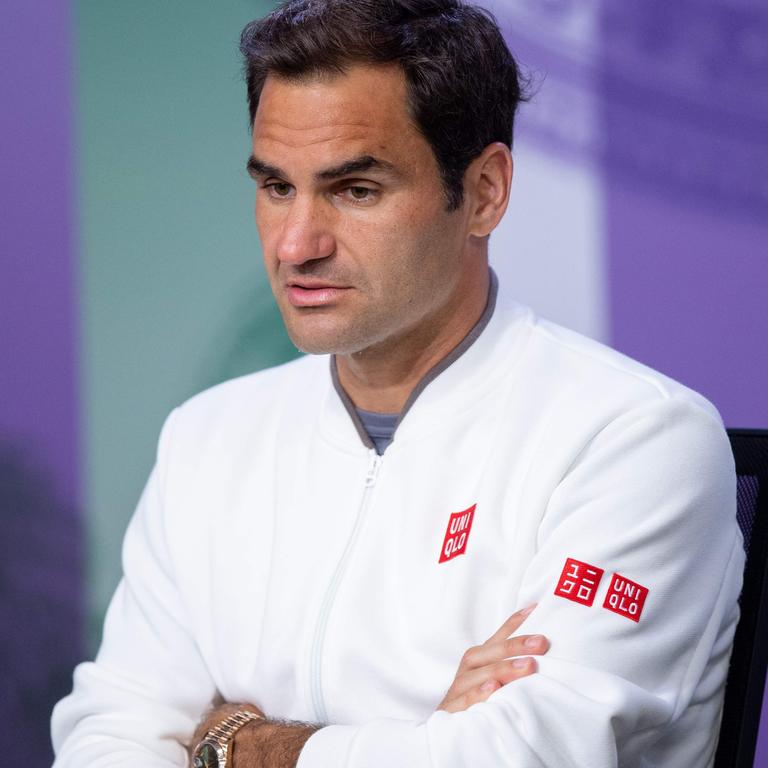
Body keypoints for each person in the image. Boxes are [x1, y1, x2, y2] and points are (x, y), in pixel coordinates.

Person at [51, 1, 744, 766]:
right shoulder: (207, 436)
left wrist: (238, 746)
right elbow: (109, 735)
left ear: (484, 192)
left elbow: (517, 758)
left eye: (355, 190)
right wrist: (421, 739)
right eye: (277, 187)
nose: (295, 244)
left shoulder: (635, 438)